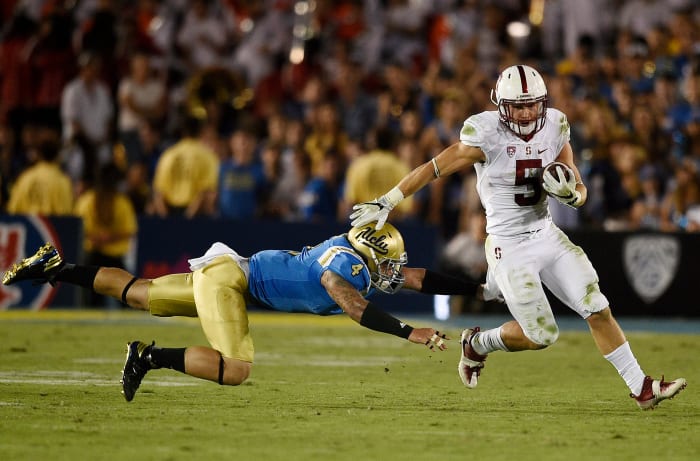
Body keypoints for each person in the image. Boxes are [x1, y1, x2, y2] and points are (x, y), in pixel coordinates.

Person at [350, 64, 687, 410]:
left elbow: (577, 182)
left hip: (546, 235)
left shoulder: (555, 125)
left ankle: (641, 387)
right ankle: (478, 344)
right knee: (543, 335)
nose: (527, 113)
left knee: (597, 307)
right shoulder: (485, 134)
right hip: (507, 245)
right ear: (501, 105)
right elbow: (435, 167)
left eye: (532, 105)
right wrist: (388, 200)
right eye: (518, 106)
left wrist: (575, 196)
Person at [3, 222, 485, 402]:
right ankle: (146, 358)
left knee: (140, 293)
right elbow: (354, 307)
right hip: (232, 282)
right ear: (369, 255)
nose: (395, 272)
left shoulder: (356, 253)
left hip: (231, 271)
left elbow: (420, 277)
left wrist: (482, 288)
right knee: (236, 369)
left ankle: (55, 268)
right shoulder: (341, 269)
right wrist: (409, 333)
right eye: (388, 264)